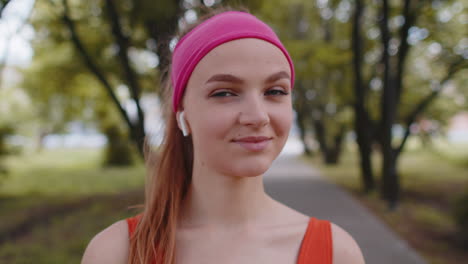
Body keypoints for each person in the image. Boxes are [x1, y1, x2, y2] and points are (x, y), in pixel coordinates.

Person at [81, 8, 365, 264]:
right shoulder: (118, 252)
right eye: (224, 93)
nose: (257, 116)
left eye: (275, 91)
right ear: (182, 113)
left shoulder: (336, 253)